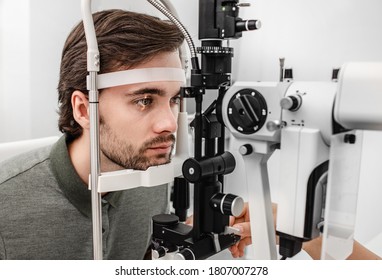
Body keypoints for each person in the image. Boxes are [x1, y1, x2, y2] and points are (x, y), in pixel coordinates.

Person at [0, 9, 379, 261]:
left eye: (175, 99)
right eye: (144, 101)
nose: (169, 123)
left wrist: (273, 220)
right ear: (83, 109)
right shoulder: (7, 203)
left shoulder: (151, 175)